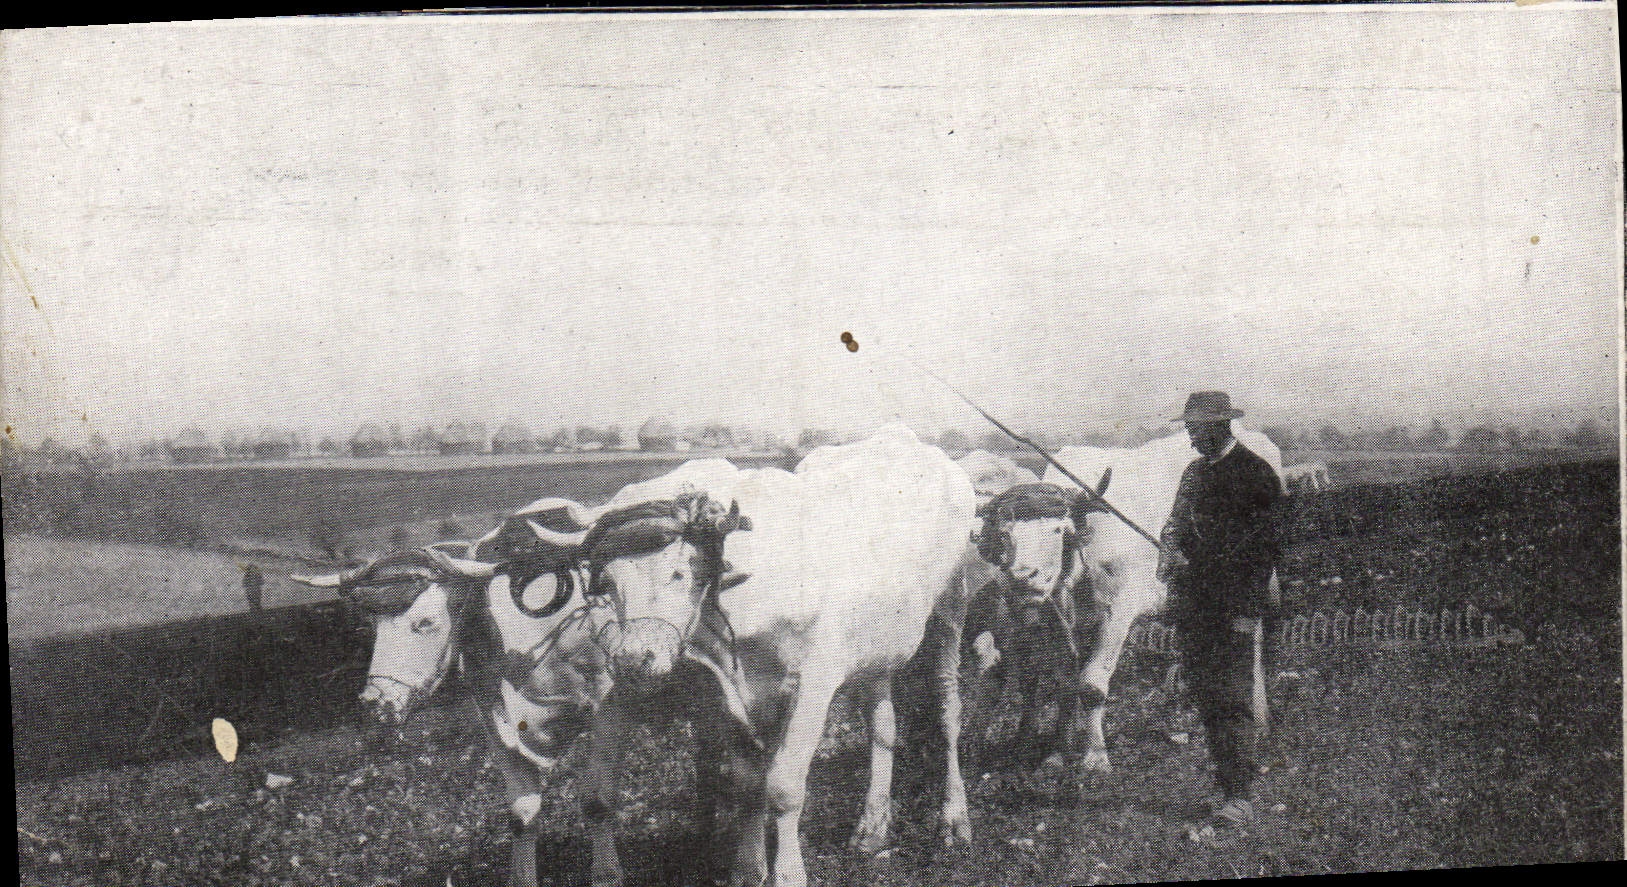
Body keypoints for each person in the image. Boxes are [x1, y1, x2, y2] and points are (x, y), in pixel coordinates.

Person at [1157, 391, 1283, 826]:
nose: (1190, 439)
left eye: (1196, 430)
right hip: (1196, 605)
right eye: (1189, 430)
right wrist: (1170, 549)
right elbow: (1174, 523)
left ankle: (1240, 796)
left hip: (1233, 606)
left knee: (1232, 699)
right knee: (1209, 697)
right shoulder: (1193, 473)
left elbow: (1266, 551)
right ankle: (1227, 783)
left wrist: (1247, 611)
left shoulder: (1256, 474)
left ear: (1219, 426)